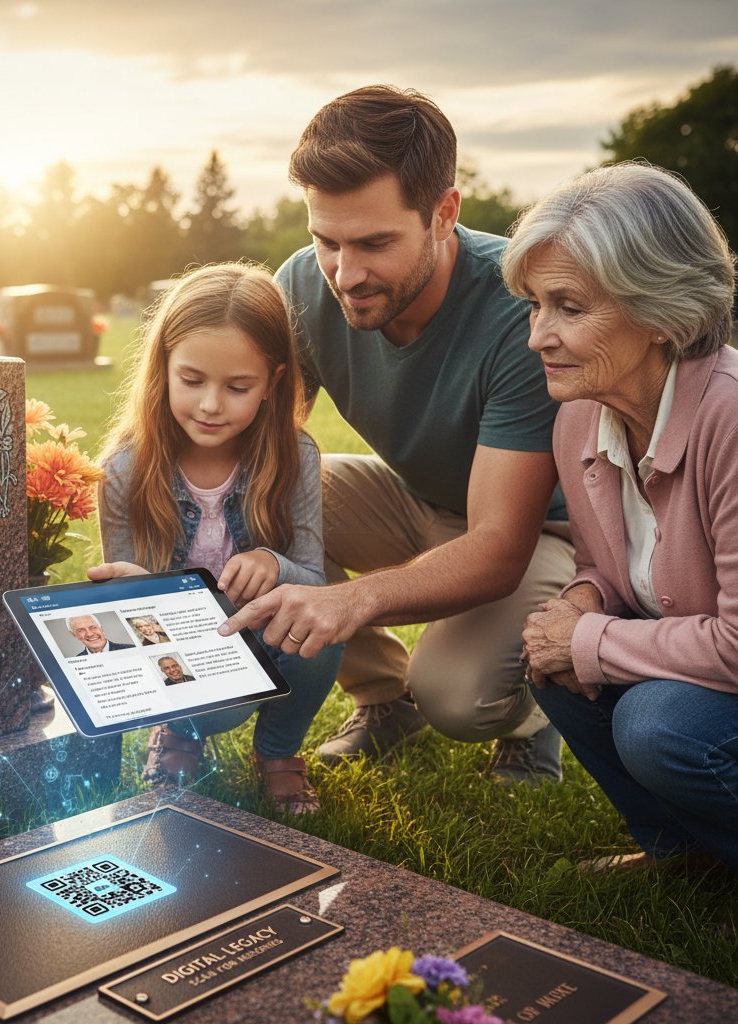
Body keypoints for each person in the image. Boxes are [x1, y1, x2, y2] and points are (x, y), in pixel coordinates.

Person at [220, 85, 574, 784]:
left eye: (375, 243)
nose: (345, 275)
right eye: (327, 241)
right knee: (255, 495)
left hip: (538, 536)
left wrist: (349, 599)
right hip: (412, 501)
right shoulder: (304, 283)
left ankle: (535, 716)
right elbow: (257, 448)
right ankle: (383, 700)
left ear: (444, 213)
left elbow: (499, 547)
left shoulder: (517, 312)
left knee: (457, 695)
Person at [503, 162, 738, 872]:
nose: (538, 335)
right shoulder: (579, 416)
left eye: (569, 308)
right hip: (692, 663)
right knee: (552, 662)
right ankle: (680, 854)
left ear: (662, 312)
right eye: (534, 305)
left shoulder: (730, 416)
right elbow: (605, 566)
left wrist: (589, 639)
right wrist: (579, 602)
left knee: (656, 725)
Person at [89, 262, 343, 813]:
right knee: (218, 708)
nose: (210, 404)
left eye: (237, 387)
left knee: (325, 633)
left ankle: (277, 753)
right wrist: (136, 589)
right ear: (164, 368)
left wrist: (274, 565)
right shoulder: (125, 470)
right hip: (177, 648)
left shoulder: (295, 457)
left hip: (258, 634)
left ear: (273, 382)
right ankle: (179, 735)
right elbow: (125, 612)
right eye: (192, 380)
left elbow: (314, 579)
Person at [67, 614, 134, 657]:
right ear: (74, 635)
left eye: (93, 627)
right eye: (81, 630)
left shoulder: (130, 649)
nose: (90, 634)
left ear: (101, 628)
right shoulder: (77, 660)